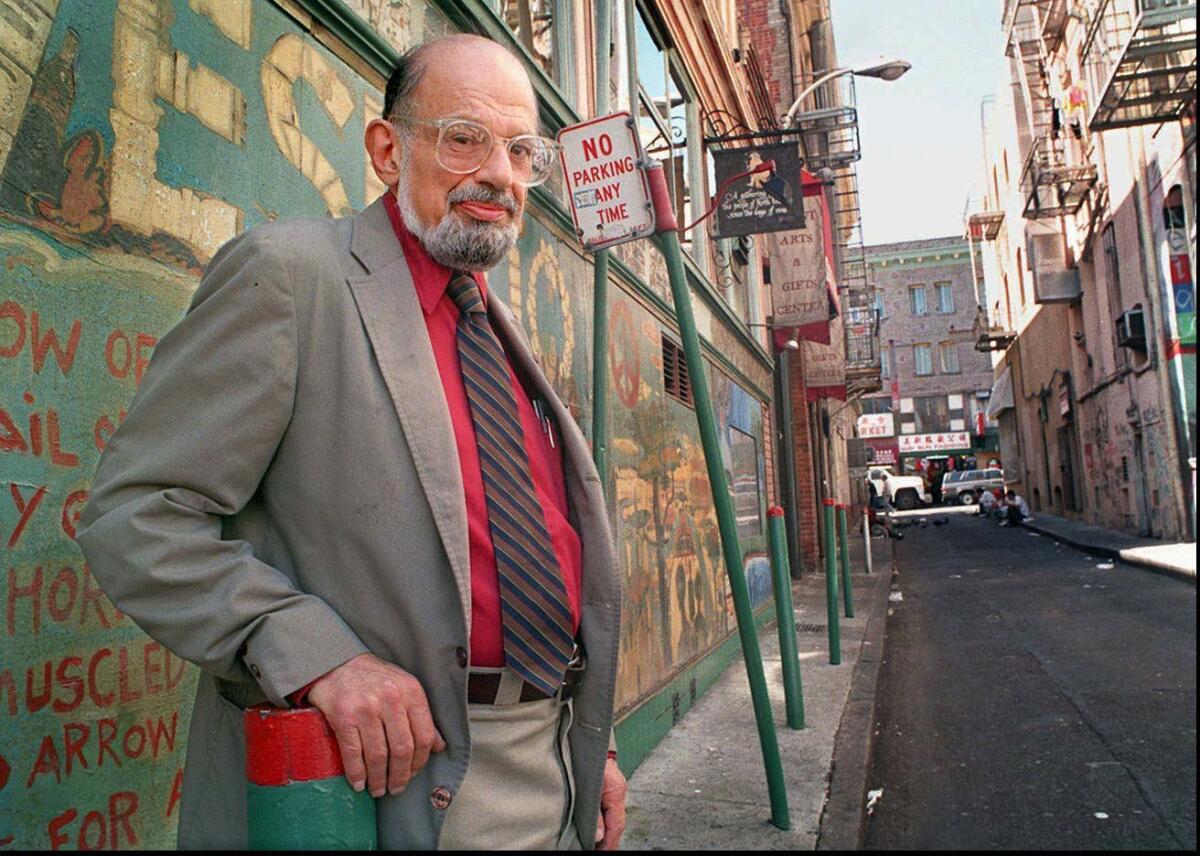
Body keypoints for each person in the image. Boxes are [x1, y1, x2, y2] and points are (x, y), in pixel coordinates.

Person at [77, 34, 625, 851]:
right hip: (384, 788)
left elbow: (538, 552)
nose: (500, 175)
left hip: (548, 766)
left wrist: (590, 744)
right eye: (464, 137)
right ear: (385, 149)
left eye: (521, 152)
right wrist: (318, 657)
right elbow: (134, 517)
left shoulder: (498, 334)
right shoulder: (291, 276)